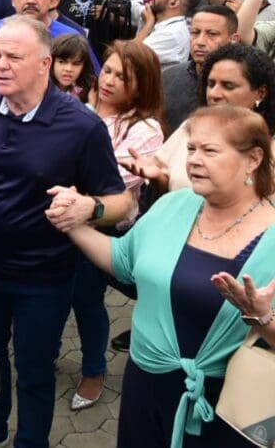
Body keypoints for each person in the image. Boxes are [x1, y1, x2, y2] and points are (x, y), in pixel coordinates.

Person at [0, 16, 130, 447]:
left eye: (13, 57)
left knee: (35, 372)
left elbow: (122, 201)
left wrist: (88, 207)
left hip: (43, 277)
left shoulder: (81, 126)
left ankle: (29, 441)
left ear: (44, 64)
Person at [49, 104, 275, 448]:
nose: (195, 160)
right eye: (191, 149)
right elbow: (122, 260)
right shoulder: (175, 205)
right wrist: (73, 223)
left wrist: (262, 317)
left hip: (225, 407)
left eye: (210, 150)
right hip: (145, 386)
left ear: (253, 159)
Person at [70, 41, 165, 411]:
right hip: (61, 218)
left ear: (142, 84)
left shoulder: (146, 129)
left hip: (104, 227)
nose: (108, 80)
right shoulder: (83, 108)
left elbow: (107, 181)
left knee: (87, 301)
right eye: (107, 70)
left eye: (122, 77)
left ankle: (94, 369)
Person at [126, 43, 275, 194]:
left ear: (260, 93)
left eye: (228, 86)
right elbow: (175, 185)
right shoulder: (192, 126)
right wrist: (158, 177)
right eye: (211, 84)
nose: (214, 94)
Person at [163, 5, 239, 131]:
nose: (200, 41)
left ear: (233, 39)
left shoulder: (244, 82)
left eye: (212, 34)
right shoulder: (169, 76)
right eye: (195, 33)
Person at [50, 33, 96, 102]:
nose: (68, 69)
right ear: (51, 62)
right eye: (62, 62)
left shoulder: (89, 92)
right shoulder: (39, 88)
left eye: (76, 64)